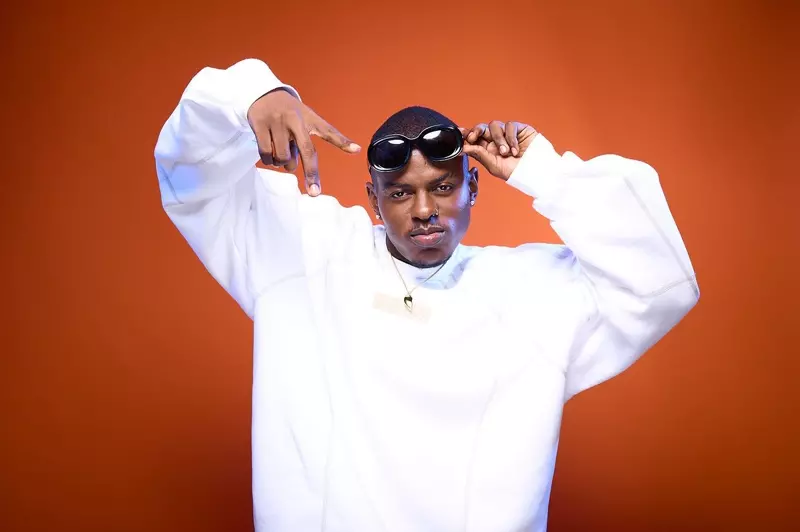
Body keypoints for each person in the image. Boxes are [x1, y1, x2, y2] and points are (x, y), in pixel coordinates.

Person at [154, 57, 699, 532]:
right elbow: (189, 177)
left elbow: (660, 284)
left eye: (442, 187)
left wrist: (543, 173)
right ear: (373, 199)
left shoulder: (531, 290)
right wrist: (253, 92)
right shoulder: (304, 253)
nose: (423, 211)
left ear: (473, 186)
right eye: (400, 193)